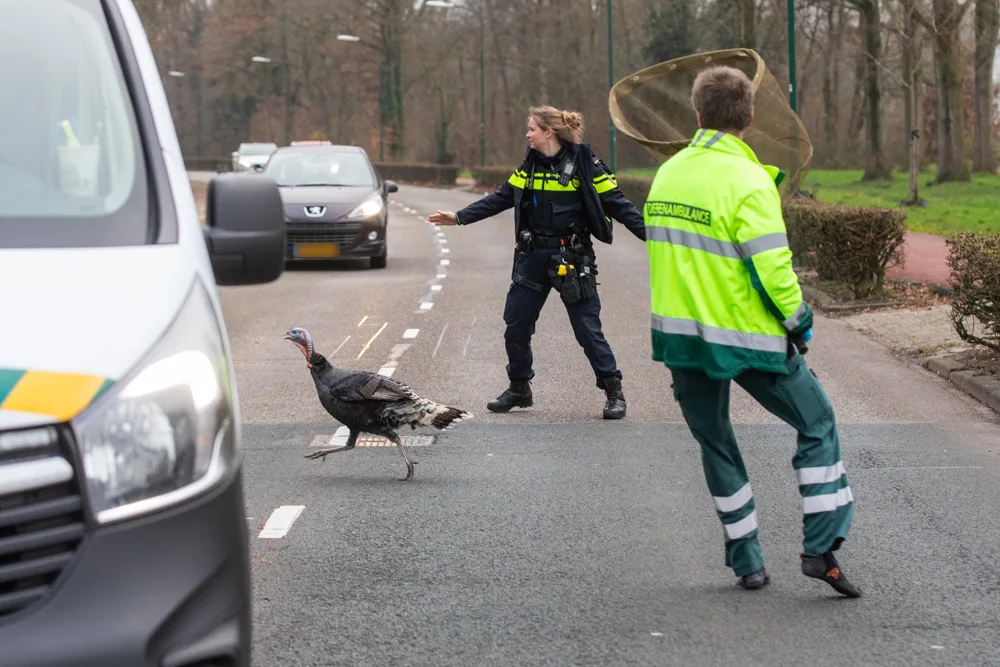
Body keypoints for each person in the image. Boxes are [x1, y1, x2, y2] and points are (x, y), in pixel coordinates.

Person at [643, 66, 861, 597]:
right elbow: (774, 272)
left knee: (716, 443)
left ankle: (748, 563)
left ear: (697, 115)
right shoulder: (749, 180)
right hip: (750, 338)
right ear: (750, 116)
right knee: (817, 421)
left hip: (683, 340)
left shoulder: (668, 174)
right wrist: (799, 323)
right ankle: (821, 546)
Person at [428, 106, 645, 419]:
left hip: (571, 259)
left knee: (587, 329)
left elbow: (620, 205)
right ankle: (519, 388)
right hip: (531, 258)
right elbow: (502, 197)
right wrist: (460, 217)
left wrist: (655, 238)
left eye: (531, 129)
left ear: (549, 132)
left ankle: (613, 391)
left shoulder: (585, 164)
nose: (527, 134)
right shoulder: (530, 165)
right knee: (515, 325)